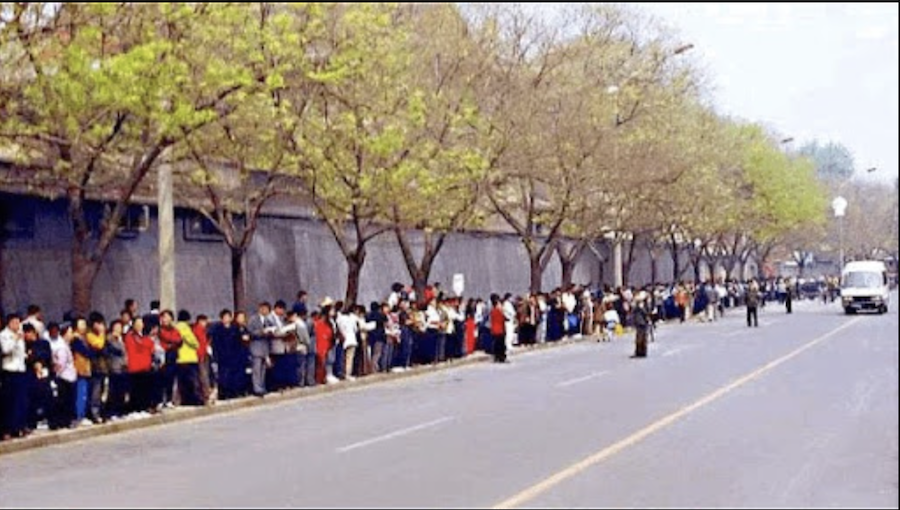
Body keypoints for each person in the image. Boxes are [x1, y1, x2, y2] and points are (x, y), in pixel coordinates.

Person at [1, 314, 29, 439]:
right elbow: (6, 350)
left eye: (19, 323)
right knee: (9, 402)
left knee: (20, 401)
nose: (18, 325)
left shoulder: (20, 335)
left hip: (20, 370)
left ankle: (18, 427)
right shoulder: (4, 335)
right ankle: (6, 429)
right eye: (16, 323)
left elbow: (21, 352)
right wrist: (16, 339)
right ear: (10, 323)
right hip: (9, 370)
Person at [247, 302, 274, 397]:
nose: (266, 311)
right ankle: (256, 388)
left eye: (268, 309)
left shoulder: (267, 320)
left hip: (265, 347)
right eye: (265, 309)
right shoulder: (253, 319)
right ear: (260, 309)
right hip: (256, 347)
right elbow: (250, 331)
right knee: (256, 369)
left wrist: (271, 331)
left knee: (263, 370)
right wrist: (261, 332)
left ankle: (262, 387)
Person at [632, 292, 651, 358]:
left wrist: (641, 308)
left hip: (642, 322)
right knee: (639, 338)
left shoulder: (645, 305)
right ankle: (638, 352)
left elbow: (646, 313)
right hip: (639, 322)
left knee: (642, 338)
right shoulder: (637, 306)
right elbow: (633, 311)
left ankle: (642, 352)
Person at [489, 294, 507, 363]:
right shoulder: (498, 310)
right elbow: (502, 318)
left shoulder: (492, 310)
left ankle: (496, 356)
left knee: (496, 344)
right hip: (500, 329)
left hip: (495, 329)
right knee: (501, 344)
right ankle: (501, 357)